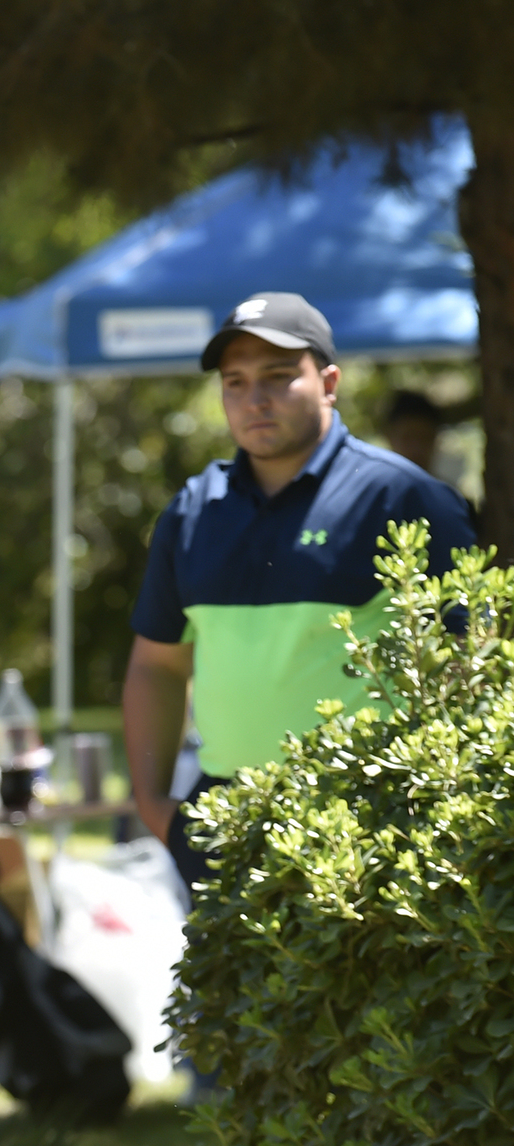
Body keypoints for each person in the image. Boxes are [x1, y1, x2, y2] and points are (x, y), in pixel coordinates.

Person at [124, 294, 476, 896]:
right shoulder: (191, 513)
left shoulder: (404, 501)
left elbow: (473, 670)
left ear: (329, 382)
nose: (254, 399)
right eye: (235, 382)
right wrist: (158, 808)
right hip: (224, 828)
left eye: (279, 377)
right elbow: (156, 665)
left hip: (369, 835)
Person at [383, 388, 443, 473]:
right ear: (389, 437)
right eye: (407, 438)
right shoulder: (371, 484)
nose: (416, 449)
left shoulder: (443, 486)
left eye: (424, 439)